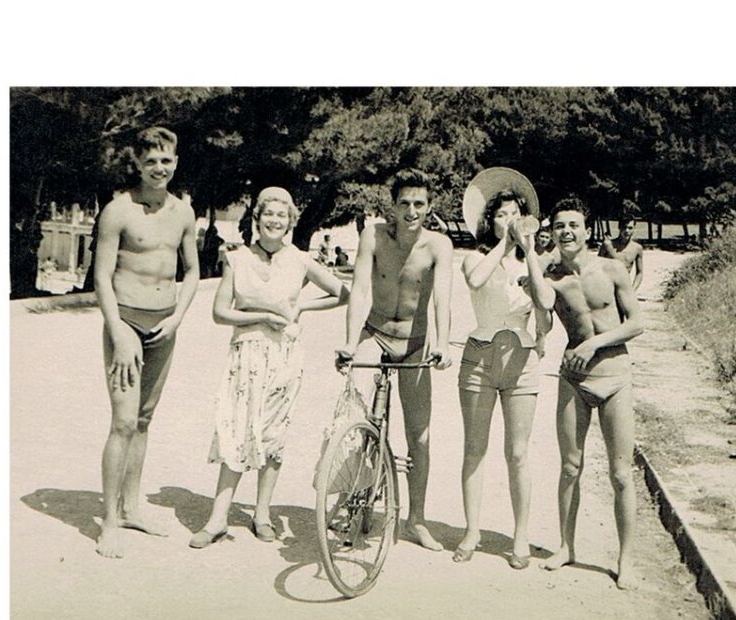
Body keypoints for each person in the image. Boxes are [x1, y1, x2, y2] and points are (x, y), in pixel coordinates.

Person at [189, 187, 349, 549]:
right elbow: (219, 312)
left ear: (290, 221)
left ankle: (262, 513)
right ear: (256, 219)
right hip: (245, 354)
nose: (275, 221)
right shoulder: (236, 258)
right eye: (268, 215)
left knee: (273, 434)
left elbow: (344, 294)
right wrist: (261, 316)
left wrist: (302, 308)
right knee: (234, 429)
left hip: (284, 357)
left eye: (282, 215)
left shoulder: (300, 260)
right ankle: (217, 519)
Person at [93, 126, 200, 558]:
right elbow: (101, 275)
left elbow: (191, 271)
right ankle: (110, 521)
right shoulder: (118, 211)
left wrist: (177, 318)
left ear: (176, 162)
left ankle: (133, 508)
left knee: (143, 421)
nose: (160, 168)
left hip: (163, 326)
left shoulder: (184, 214)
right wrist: (118, 329)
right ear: (137, 163)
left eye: (167, 160)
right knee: (122, 421)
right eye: (151, 161)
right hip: (127, 323)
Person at [337, 168, 453, 551]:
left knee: (418, 435)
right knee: (351, 419)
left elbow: (441, 301)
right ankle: (347, 494)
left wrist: (443, 345)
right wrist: (350, 344)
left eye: (419, 203)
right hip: (376, 334)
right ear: (392, 205)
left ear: (430, 207)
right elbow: (357, 292)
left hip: (416, 343)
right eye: (404, 203)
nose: (411, 210)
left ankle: (415, 519)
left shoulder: (439, 245)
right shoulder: (372, 234)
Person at [538, 197, 644, 589]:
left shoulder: (612, 269)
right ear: (552, 232)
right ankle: (566, 547)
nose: (567, 231)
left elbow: (636, 323)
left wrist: (593, 345)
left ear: (586, 230)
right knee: (569, 466)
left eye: (573, 225)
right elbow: (539, 311)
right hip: (573, 379)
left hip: (615, 377)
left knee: (620, 474)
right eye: (559, 225)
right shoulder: (550, 277)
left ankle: (625, 560)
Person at [454, 169, 555, 570]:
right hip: (479, 356)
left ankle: (520, 536)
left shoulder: (533, 262)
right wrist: (504, 243)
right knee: (474, 450)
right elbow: (477, 281)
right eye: (502, 215)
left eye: (516, 214)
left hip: (521, 360)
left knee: (517, 453)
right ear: (489, 220)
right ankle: (472, 530)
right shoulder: (477, 257)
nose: (509, 221)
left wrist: (527, 251)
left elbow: (545, 305)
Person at [599, 217, 644, 290]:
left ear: (634, 229)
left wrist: (632, 290)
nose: (627, 231)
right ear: (619, 227)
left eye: (630, 228)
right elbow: (597, 267)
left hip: (624, 288)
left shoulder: (637, 248)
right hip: (607, 287)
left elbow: (640, 273)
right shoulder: (608, 245)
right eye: (624, 227)